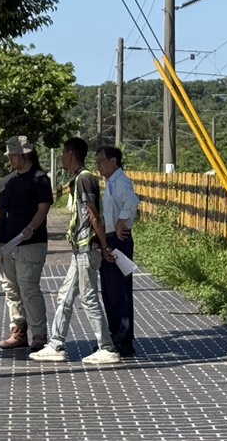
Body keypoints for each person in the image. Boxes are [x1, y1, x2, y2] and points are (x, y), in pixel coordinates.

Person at [30, 138, 120, 365]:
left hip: (86, 249)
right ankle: (56, 344)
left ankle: (106, 347)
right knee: (65, 296)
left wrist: (103, 245)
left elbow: (93, 216)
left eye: (63, 154)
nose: (61, 158)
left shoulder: (84, 180)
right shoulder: (79, 180)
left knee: (88, 298)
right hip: (80, 249)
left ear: (71, 154)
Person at [0, 134, 53, 351]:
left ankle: (39, 334)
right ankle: (18, 330)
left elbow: (43, 207)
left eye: (13, 155)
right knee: (11, 288)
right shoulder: (7, 181)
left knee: (29, 287)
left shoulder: (40, 178)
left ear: (24, 155)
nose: (10, 159)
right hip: (5, 242)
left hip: (30, 243)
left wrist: (31, 228)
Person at [95, 144, 137, 357]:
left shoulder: (121, 182)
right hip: (110, 239)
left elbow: (131, 201)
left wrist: (121, 221)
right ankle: (114, 335)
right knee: (110, 291)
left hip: (119, 240)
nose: (99, 165)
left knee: (120, 291)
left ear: (113, 161)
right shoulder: (110, 183)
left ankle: (123, 339)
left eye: (102, 161)